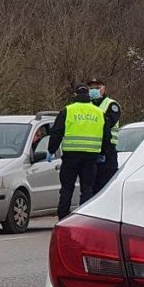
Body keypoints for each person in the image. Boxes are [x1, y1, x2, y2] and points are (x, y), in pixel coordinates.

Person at [48, 85, 107, 220]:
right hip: (91, 156)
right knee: (87, 189)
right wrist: (102, 152)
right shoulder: (99, 112)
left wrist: (51, 150)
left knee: (66, 188)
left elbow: (56, 132)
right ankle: (84, 217)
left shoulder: (67, 110)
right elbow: (106, 135)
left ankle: (63, 217)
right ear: (88, 95)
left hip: (71, 156)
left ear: (75, 95)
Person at [87, 78, 121, 194]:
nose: (94, 91)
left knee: (107, 184)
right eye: (91, 88)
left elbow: (108, 122)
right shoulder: (85, 105)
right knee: (91, 186)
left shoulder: (111, 104)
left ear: (104, 89)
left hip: (107, 149)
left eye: (97, 88)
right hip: (90, 148)